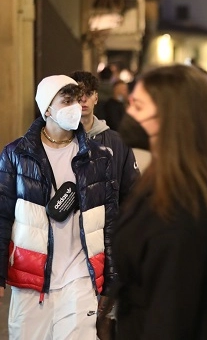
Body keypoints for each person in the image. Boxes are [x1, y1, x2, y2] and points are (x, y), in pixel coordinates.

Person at [112, 65, 207, 339]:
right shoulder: (168, 179)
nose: (129, 114)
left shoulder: (185, 203)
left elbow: (173, 311)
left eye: (138, 106)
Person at [0, 75, 118, 338]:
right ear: (47, 109)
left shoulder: (98, 158)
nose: (76, 106)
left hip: (80, 276)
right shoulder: (15, 155)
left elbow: (109, 221)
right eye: (67, 101)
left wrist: (111, 280)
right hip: (31, 279)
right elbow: (2, 215)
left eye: (77, 100)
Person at [69, 71, 139, 203]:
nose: (83, 99)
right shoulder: (61, 139)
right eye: (79, 94)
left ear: (96, 97)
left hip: (109, 220)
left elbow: (132, 190)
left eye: (89, 94)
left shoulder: (117, 142)